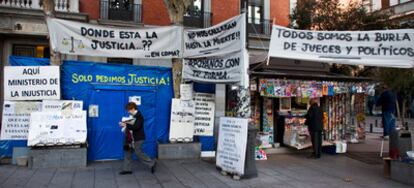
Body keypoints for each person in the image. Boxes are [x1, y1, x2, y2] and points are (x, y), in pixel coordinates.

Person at [119, 102, 156, 175]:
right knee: (127, 152)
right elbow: (131, 125)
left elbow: (136, 127)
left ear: (133, 109)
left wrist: (125, 125)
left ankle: (151, 163)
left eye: (129, 110)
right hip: (129, 138)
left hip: (138, 138)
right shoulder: (132, 116)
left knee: (138, 153)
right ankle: (127, 169)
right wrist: (125, 125)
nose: (128, 111)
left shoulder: (139, 116)